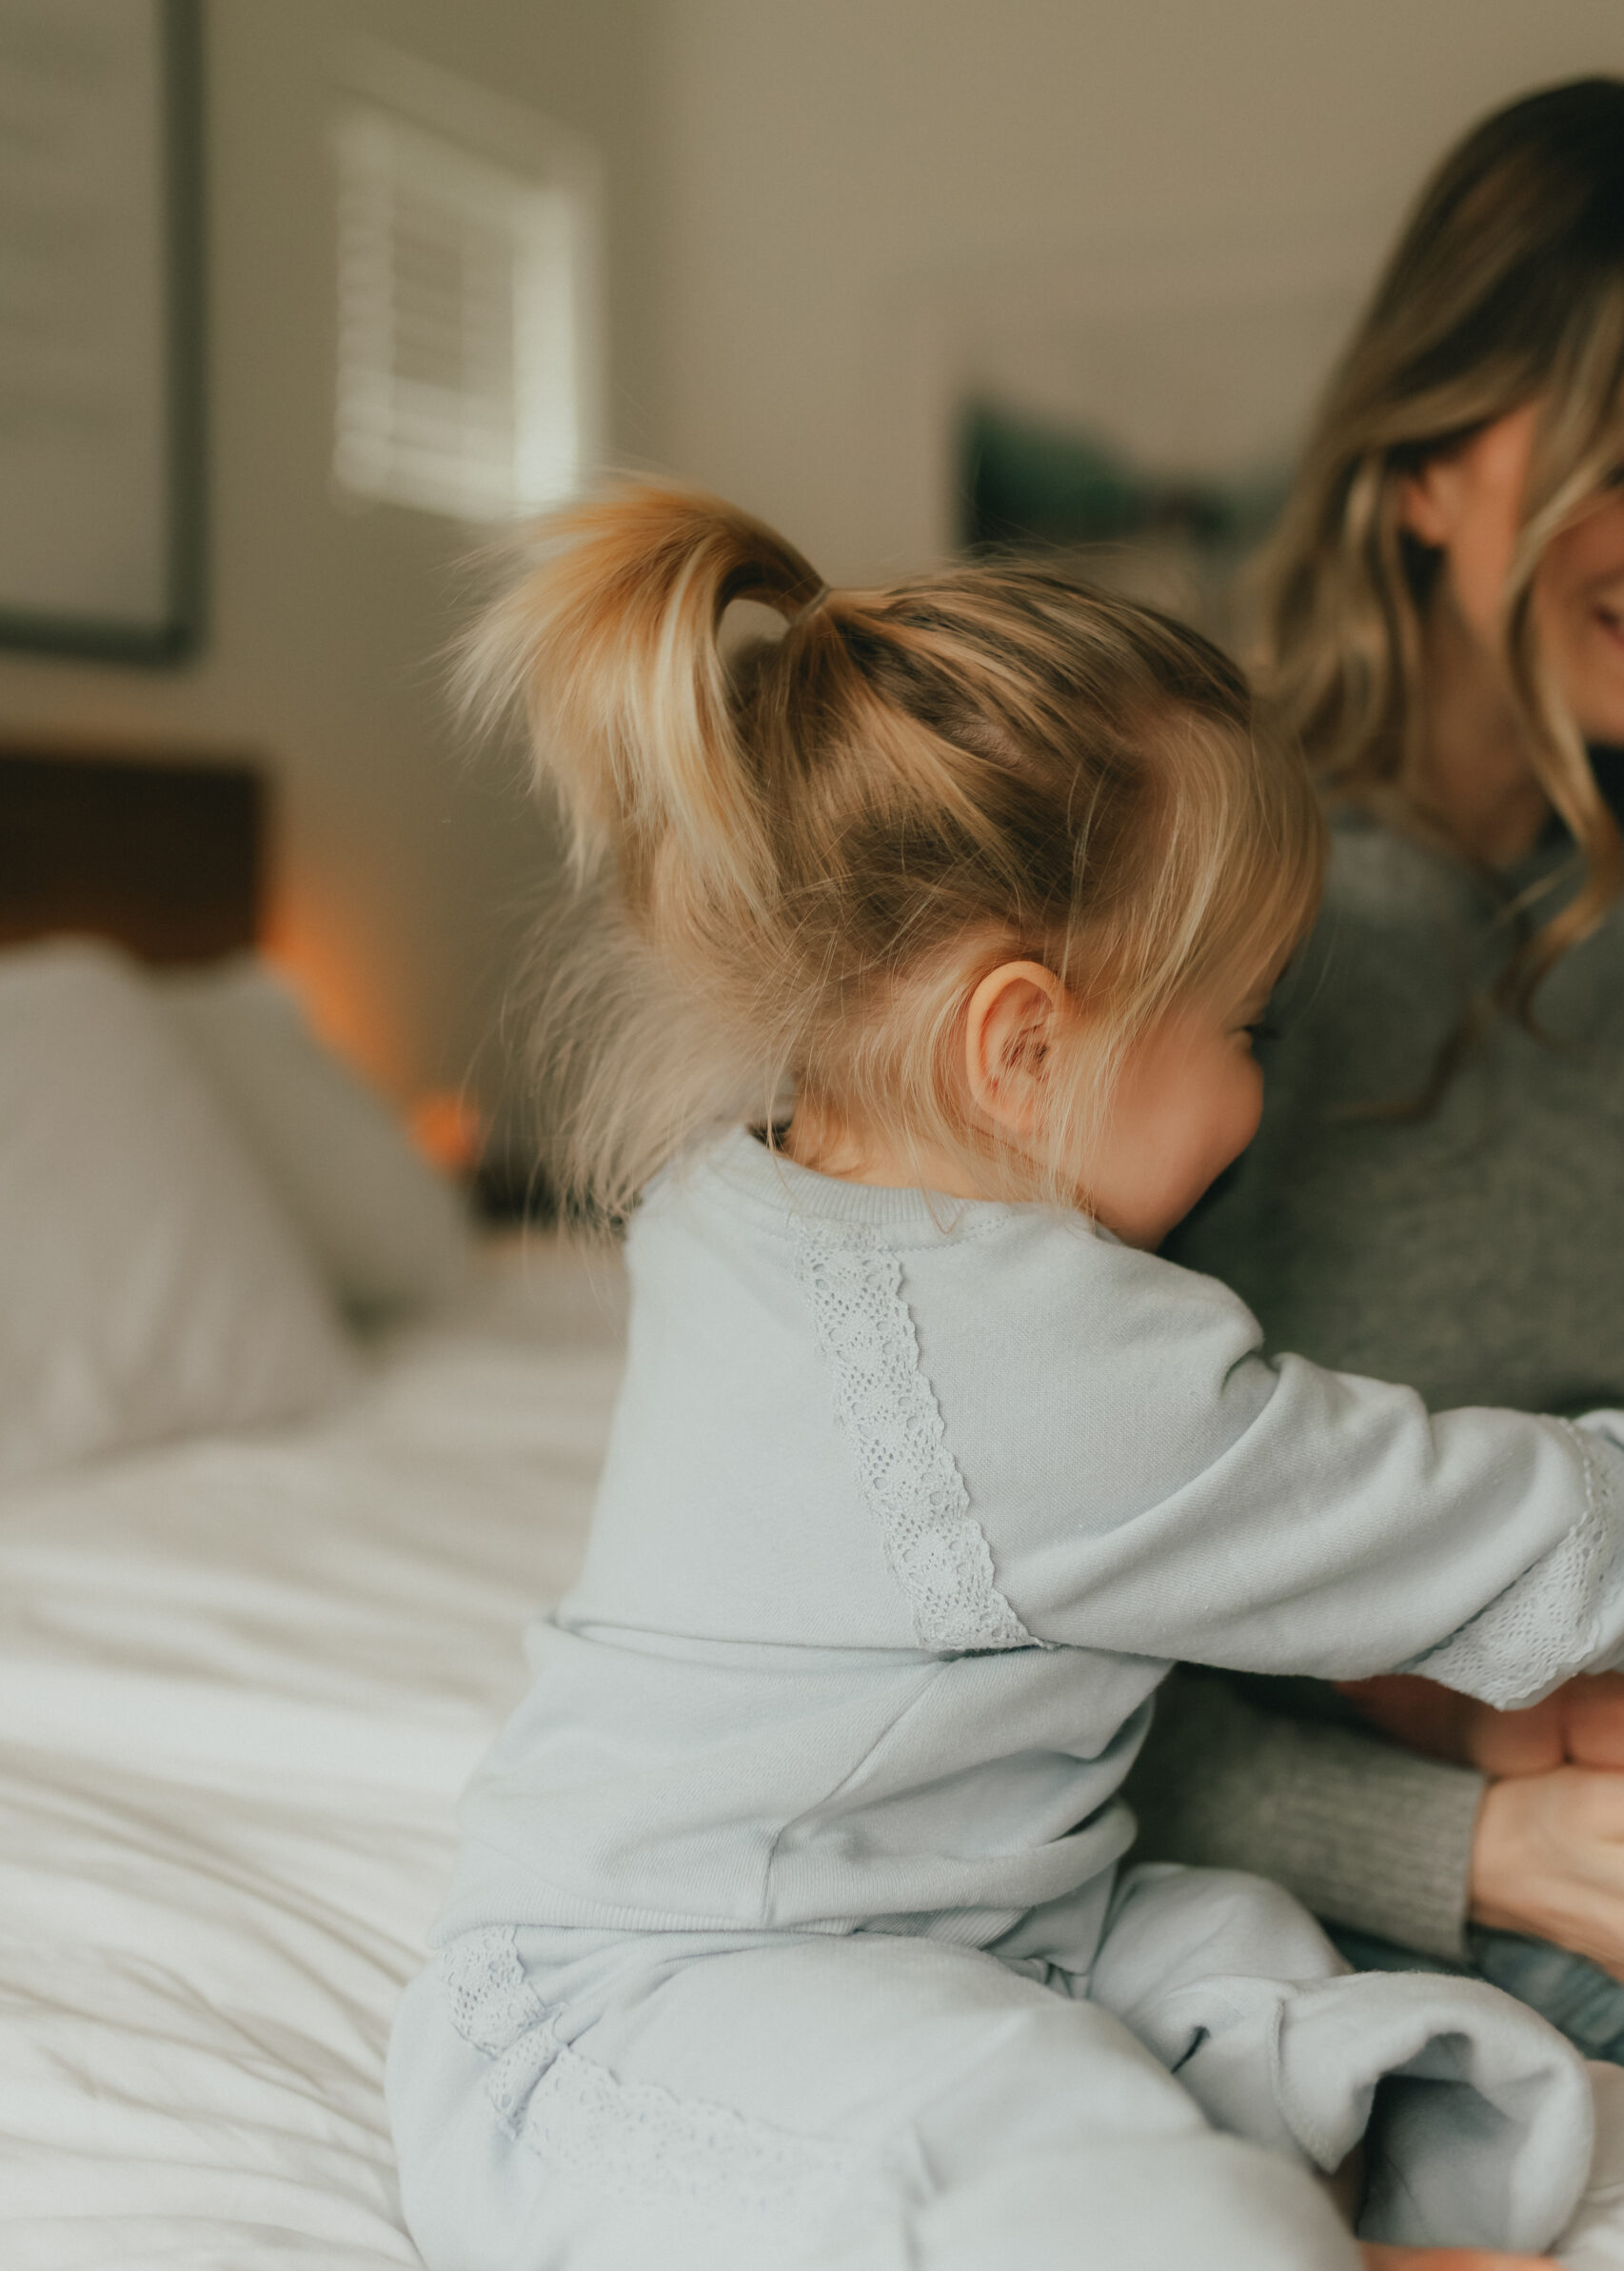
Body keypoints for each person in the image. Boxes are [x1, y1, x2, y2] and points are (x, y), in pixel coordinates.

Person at [388, 481, 1624, 2270]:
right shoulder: (1042, 1373)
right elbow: (1500, 1537)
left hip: (956, 1925)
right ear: (1023, 1045)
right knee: (1104, 2170)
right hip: (655, 2018)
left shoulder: (774, 1203)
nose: (1257, 1092)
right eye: (1244, 1029)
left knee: (1265, 1975)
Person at [1133, 77, 1624, 2059]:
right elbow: (980, 1655)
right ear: (1422, 468)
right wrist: (1488, 1849)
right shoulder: (1201, 935)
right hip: (1430, 1859)